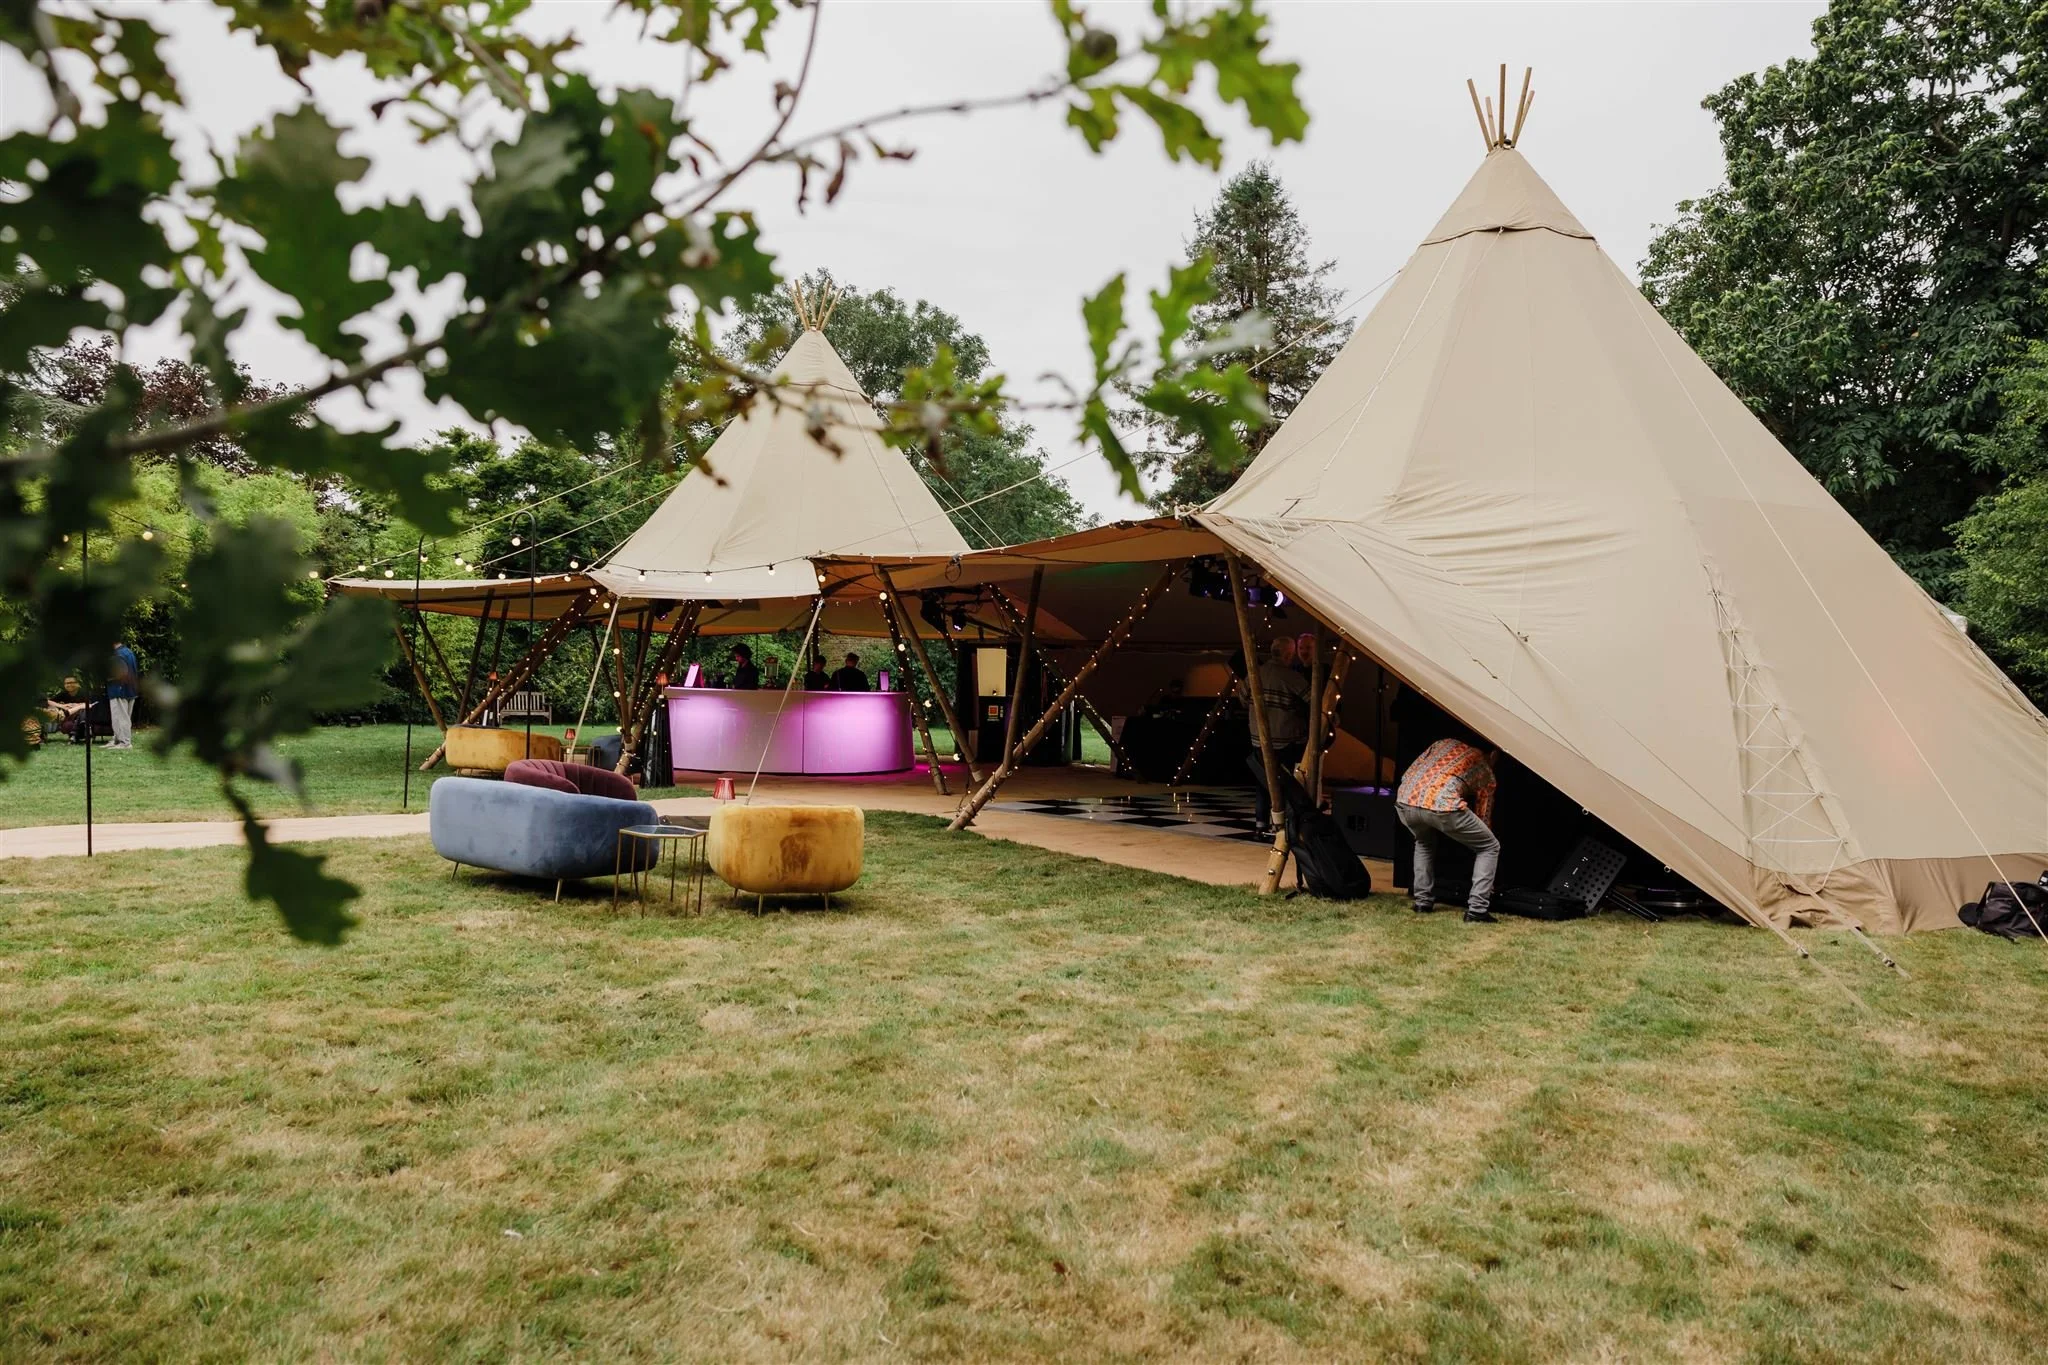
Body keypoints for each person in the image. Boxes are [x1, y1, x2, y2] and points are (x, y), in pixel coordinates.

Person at [1396, 732, 1501, 923]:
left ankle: (1422, 902)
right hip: (1441, 804)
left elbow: (1417, 767)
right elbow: (1483, 815)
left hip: (1405, 799)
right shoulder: (1485, 768)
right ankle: (1477, 910)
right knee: (1489, 846)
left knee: (1424, 843)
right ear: (1493, 754)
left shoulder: (1443, 742)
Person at [1248, 638, 1310, 833]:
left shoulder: (1254, 672)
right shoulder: (1290, 676)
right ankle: (1282, 824)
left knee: (1262, 781)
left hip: (1257, 738)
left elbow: (1242, 697)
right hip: (1284, 740)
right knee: (1285, 783)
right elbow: (1311, 699)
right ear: (1288, 655)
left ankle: (1261, 823)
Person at [106, 640, 139, 750]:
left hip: (119, 689)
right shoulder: (129, 652)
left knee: (120, 717)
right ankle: (117, 740)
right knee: (124, 717)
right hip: (130, 689)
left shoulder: (117, 654)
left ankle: (124, 742)